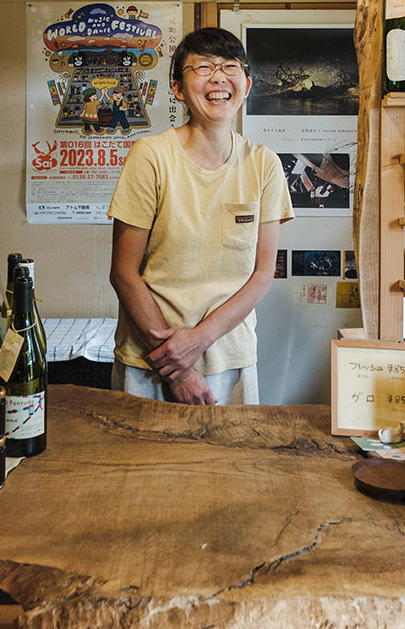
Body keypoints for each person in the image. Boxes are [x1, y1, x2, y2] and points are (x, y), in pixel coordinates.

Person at [108, 27, 293, 405]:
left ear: (247, 83)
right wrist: (177, 369)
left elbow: (261, 275)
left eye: (230, 66)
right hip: (151, 360)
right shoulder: (151, 156)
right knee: (142, 466)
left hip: (230, 358)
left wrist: (199, 340)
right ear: (178, 88)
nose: (219, 76)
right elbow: (123, 273)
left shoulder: (263, 164)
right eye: (203, 66)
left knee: (230, 465)